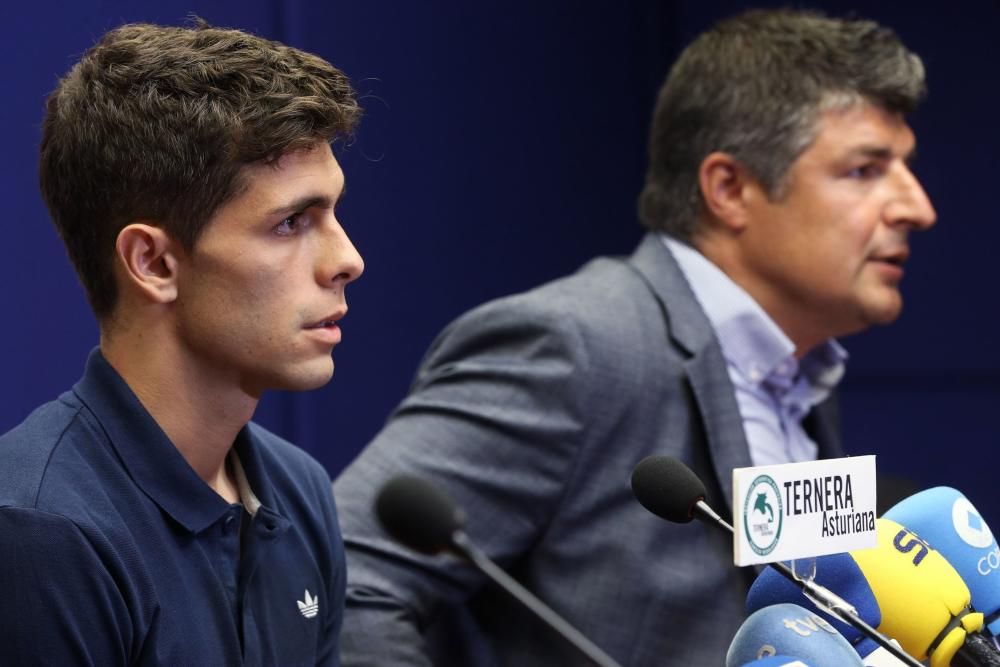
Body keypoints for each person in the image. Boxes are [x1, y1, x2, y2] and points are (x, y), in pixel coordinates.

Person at [333, 8, 936, 666]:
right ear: (729, 189)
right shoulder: (575, 346)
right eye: (864, 170)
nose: (917, 207)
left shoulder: (801, 373)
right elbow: (345, 577)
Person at [0, 21, 364, 665]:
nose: (347, 259)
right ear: (154, 263)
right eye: (291, 223)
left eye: (333, 214)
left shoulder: (299, 491)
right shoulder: (42, 532)